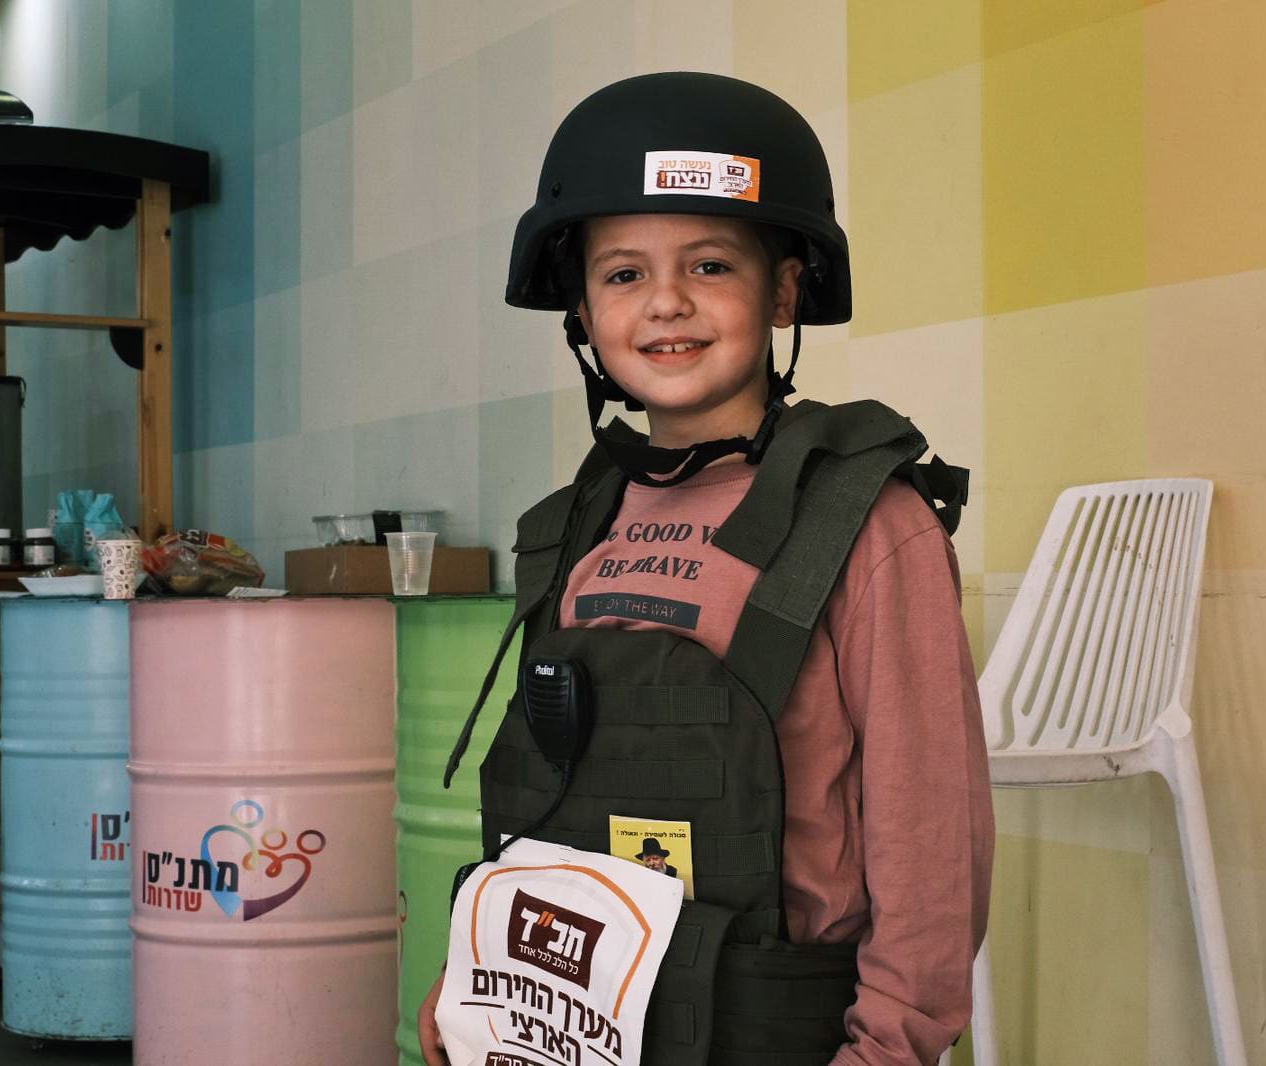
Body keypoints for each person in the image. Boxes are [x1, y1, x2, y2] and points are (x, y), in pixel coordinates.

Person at [421, 71, 992, 1066]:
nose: (667, 303)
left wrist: (889, 1048)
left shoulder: (868, 528)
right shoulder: (571, 527)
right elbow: (550, 803)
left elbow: (928, 836)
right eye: (624, 274)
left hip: (775, 1024)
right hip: (569, 1025)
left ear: (783, 288)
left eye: (711, 264)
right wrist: (469, 977)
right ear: (582, 311)